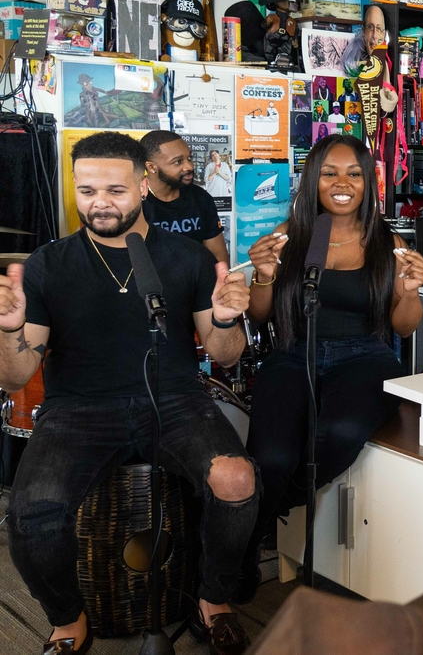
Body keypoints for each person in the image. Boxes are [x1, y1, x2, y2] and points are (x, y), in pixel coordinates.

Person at [0, 131, 258, 654]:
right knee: (31, 513)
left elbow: (225, 354)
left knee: (236, 478)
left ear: (143, 184)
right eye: (87, 190)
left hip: (175, 401)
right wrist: (8, 330)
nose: (99, 203)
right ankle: (68, 620)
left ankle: (214, 600)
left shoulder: (185, 257)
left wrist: (229, 321)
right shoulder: (50, 263)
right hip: (79, 410)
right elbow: (15, 376)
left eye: (115, 190)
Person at [242, 135, 423, 594]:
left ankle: (258, 521)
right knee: (272, 457)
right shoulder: (288, 237)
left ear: (368, 183)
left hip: (364, 356)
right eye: (329, 173)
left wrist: (410, 291)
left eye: (354, 173)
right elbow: (259, 316)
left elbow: (404, 328)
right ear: (313, 181)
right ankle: (242, 552)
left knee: (340, 432)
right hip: (292, 353)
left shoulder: (388, 242)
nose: (342, 183)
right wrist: (263, 278)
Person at [141, 129, 230, 265]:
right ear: (152, 167)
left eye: (189, 158)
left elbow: (218, 256)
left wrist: (222, 284)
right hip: (152, 285)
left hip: (198, 283)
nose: (189, 166)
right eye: (178, 162)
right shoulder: (133, 202)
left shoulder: (200, 197)